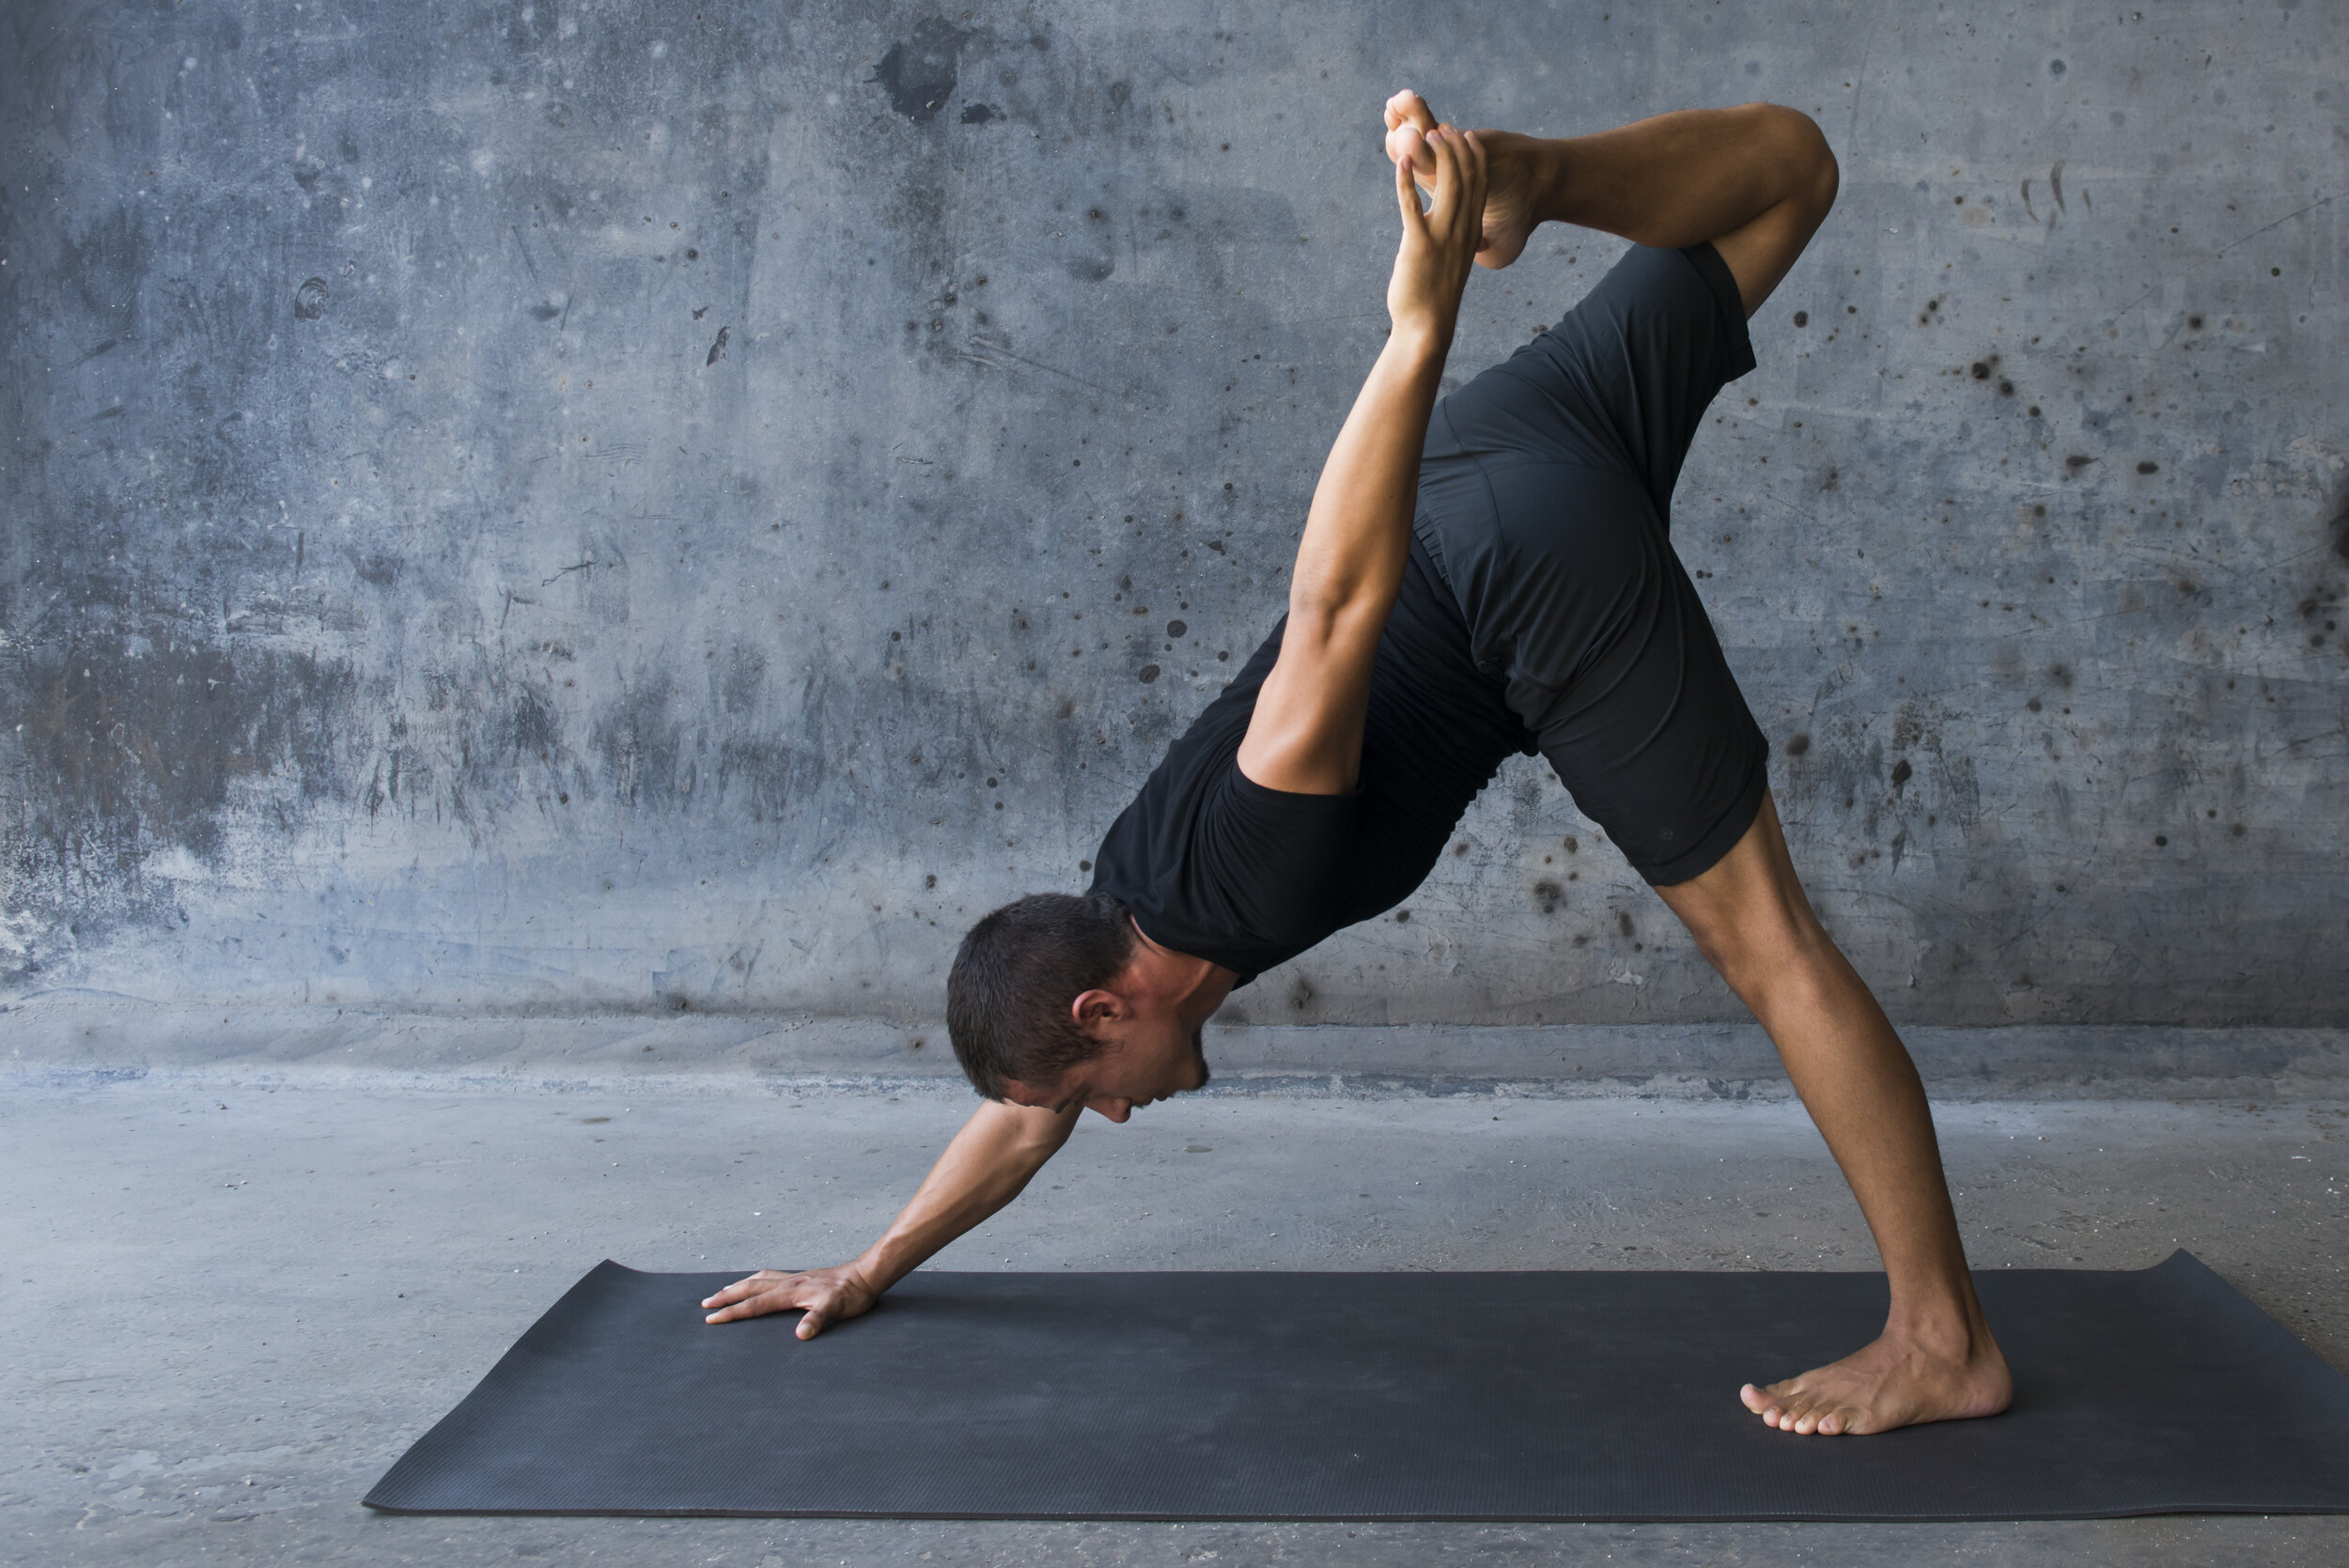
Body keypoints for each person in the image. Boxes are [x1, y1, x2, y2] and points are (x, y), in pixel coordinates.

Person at [703, 93, 2014, 1438]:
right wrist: (871, 1263)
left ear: (1108, 1012)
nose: (1105, 1118)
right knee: (1791, 170)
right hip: (1508, 446)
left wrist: (1420, 325)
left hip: (1521, 574)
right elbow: (1022, 1115)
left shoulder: (1240, 875)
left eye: (1091, 1093)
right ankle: (1535, 176)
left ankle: (1943, 1340)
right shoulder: (1118, 907)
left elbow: (1331, 605)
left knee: (1772, 949)